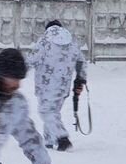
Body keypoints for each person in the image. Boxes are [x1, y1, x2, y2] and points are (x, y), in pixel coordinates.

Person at [27, 20, 88, 151]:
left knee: (46, 111)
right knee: (53, 112)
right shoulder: (72, 44)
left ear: (47, 29)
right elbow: (82, 62)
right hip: (63, 87)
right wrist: (80, 79)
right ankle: (49, 141)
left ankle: (62, 139)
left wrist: (16, 73)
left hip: (45, 85)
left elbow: (31, 59)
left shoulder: (44, 41)